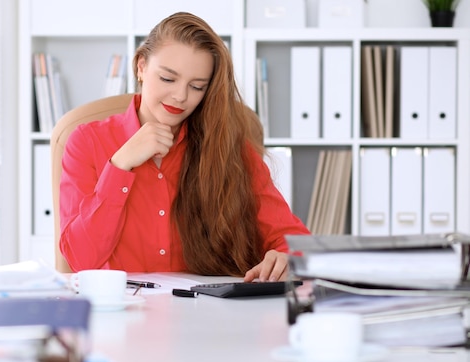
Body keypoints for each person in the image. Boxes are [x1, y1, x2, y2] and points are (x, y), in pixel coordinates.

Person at [59, 11, 310, 282]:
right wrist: (120, 165)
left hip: (209, 315)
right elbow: (81, 260)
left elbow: (295, 243)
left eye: (197, 86)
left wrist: (286, 257)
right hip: (124, 311)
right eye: (168, 79)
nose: (180, 96)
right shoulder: (87, 141)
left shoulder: (228, 148)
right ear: (141, 67)